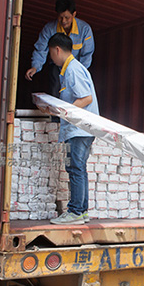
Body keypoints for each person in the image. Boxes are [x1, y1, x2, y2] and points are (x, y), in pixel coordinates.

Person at [45, 33, 99, 225]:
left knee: (75, 168)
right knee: (78, 168)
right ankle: (81, 212)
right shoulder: (71, 69)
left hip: (79, 130)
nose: (51, 58)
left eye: (51, 53)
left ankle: (75, 212)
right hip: (81, 130)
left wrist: (63, 111)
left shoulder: (72, 70)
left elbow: (85, 98)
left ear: (57, 49)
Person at [25, 0, 94, 96]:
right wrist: (35, 67)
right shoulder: (49, 29)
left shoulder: (85, 30)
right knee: (55, 89)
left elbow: (87, 55)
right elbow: (41, 50)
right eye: (60, 17)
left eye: (67, 17)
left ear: (74, 14)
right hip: (56, 67)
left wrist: (79, 73)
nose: (63, 21)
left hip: (75, 68)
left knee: (75, 93)